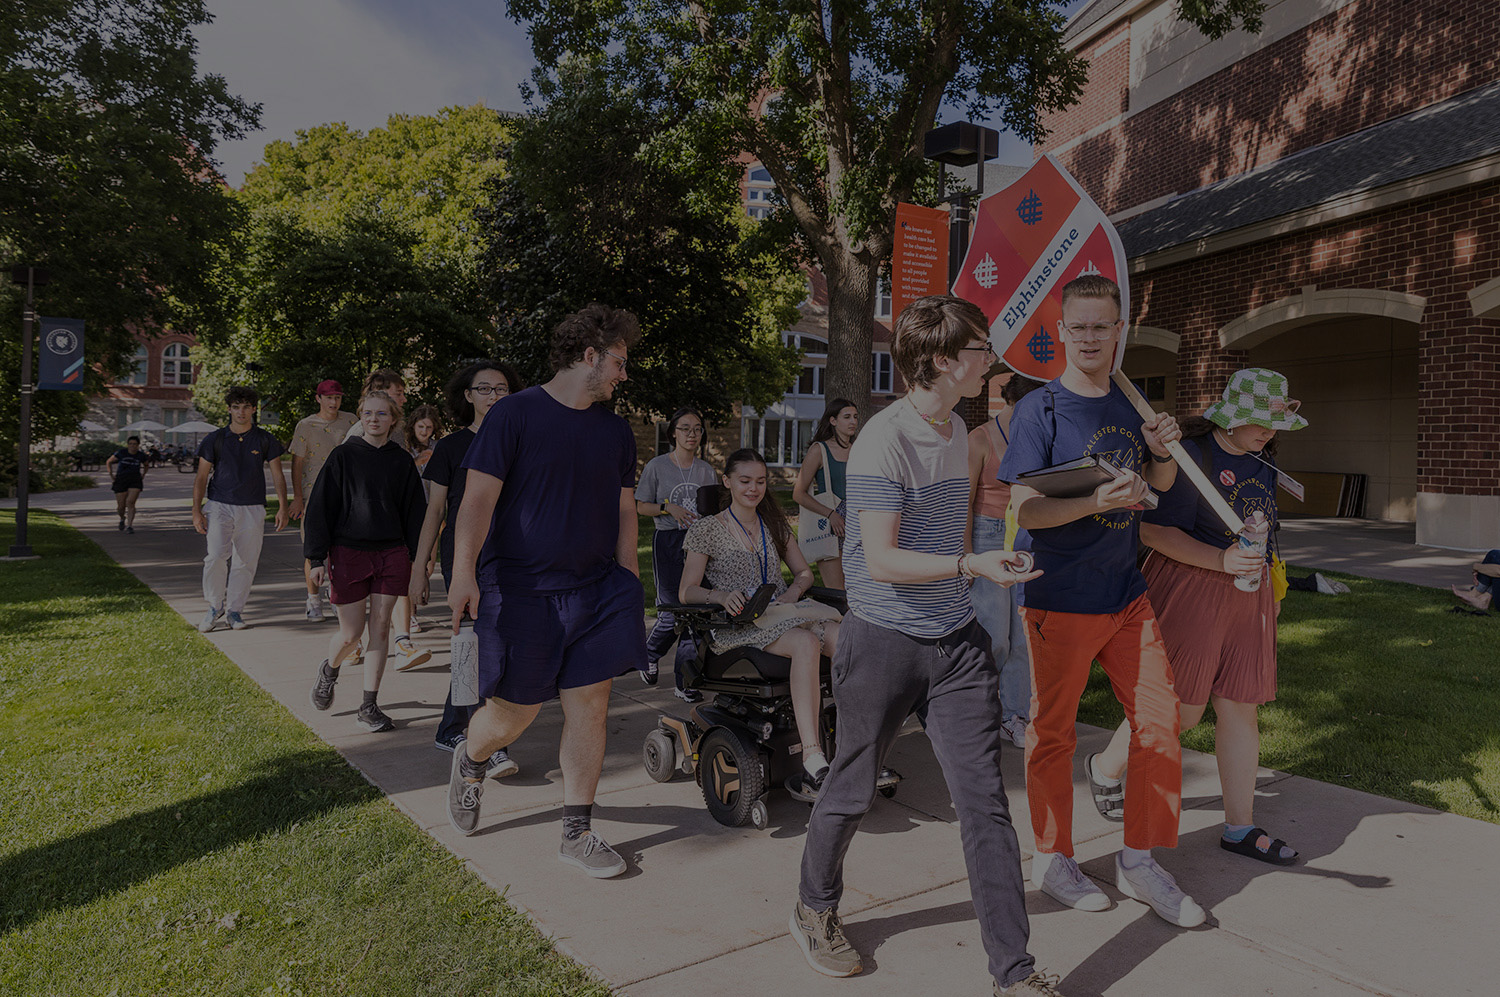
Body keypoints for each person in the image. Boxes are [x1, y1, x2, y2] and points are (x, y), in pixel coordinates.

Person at [793, 295, 1061, 997]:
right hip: (882, 640)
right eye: (979, 351)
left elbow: (953, 527)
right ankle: (814, 905)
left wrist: (978, 561)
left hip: (955, 641)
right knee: (851, 789)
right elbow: (878, 560)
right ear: (942, 360)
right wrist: (969, 566)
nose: (990, 363)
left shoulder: (957, 427)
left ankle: (1014, 972)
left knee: (985, 804)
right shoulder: (886, 440)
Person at [996, 274, 1202, 928]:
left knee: (1161, 721)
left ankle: (1138, 859)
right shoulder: (1040, 410)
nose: (1089, 337)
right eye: (1078, 326)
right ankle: (1052, 856)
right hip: (1058, 596)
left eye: (1101, 327)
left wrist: (1163, 452)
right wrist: (1094, 501)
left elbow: (1161, 487)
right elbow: (1025, 506)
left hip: (1126, 592)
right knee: (1051, 732)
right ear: (1061, 331)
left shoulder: (1130, 403)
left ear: (1120, 331)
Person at [445, 303, 646, 880]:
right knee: (514, 713)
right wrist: (462, 574)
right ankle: (472, 755)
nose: (622, 375)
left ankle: (576, 832)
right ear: (589, 355)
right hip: (521, 590)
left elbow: (624, 509)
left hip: (596, 590)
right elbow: (476, 501)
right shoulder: (515, 415)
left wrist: (629, 576)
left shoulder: (614, 430)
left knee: (592, 704)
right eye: (618, 363)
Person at [1088, 368, 1308, 866]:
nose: (1268, 431)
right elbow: (1153, 533)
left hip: (1246, 598)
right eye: (1258, 421)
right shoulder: (1192, 458)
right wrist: (1222, 561)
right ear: (1230, 416)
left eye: (1274, 423)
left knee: (1239, 706)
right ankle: (1105, 768)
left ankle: (1240, 826)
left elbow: (1264, 531)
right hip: (1190, 586)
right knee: (1181, 710)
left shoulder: (1263, 461)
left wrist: (1272, 585)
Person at [681, 447, 842, 796]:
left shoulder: (774, 524)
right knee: (806, 643)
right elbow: (687, 590)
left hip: (783, 611)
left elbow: (803, 573)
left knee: (846, 639)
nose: (753, 488)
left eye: (760, 481)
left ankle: (856, 743)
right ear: (727, 482)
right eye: (745, 481)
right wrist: (720, 596)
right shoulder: (707, 529)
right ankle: (814, 758)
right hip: (739, 624)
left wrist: (794, 591)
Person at [410, 358, 525, 778]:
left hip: (512, 556)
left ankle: (464, 730)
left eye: (501, 389)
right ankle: (471, 736)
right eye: (485, 389)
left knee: (499, 647)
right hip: (464, 557)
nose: (494, 396)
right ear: (468, 395)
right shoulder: (451, 447)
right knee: (473, 646)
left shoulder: (521, 442)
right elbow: (435, 510)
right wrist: (418, 568)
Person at [305, 390, 427, 733]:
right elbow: (320, 509)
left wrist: (418, 559)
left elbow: (415, 513)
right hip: (348, 552)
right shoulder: (343, 456)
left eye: (382, 414)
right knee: (351, 633)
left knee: (382, 626)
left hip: (391, 552)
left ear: (393, 420)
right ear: (361, 417)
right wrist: (317, 556)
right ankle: (330, 669)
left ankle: (369, 705)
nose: (374, 419)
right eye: (368, 413)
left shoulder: (401, 460)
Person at [967, 373, 1043, 749]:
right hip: (986, 535)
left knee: (1022, 636)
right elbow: (962, 503)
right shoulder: (980, 438)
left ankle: (1015, 715)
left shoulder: (1040, 434)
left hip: (1026, 536)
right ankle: (981, 711)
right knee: (994, 633)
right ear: (1011, 402)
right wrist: (965, 557)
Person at [343, 368, 429, 670]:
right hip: (358, 538)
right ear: (381, 391)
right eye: (399, 392)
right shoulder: (357, 435)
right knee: (356, 606)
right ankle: (351, 643)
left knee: (396, 584)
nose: (404, 397)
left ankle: (402, 642)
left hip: (393, 533)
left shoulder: (395, 431)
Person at [635, 406, 719, 701]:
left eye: (697, 428)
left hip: (700, 543)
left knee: (696, 611)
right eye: (685, 428)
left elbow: (715, 509)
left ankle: (685, 683)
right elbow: (640, 506)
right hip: (668, 541)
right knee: (672, 613)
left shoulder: (707, 470)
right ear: (673, 433)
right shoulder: (657, 466)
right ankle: (649, 652)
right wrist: (667, 507)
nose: (692, 434)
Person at [192, 386, 289, 633]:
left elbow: (278, 475)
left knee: (246, 562)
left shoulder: (265, 438)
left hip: (252, 507)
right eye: (236, 407)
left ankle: (235, 611)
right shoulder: (214, 439)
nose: (241, 412)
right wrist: (196, 511)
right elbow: (201, 477)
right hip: (219, 504)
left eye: (246, 407)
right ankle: (215, 606)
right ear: (229, 409)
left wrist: (283, 507)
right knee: (214, 557)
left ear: (254, 409)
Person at [288, 379, 357, 620]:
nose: (333, 402)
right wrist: (297, 498)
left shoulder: (351, 422)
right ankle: (313, 600)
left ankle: (336, 596)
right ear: (318, 399)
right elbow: (297, 464)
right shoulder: (305, 426)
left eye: (337, 397)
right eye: (328, 397)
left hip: (344, 496)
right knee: (313, 550)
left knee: (340, 551)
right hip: (312, 496)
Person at [792, 398, 859, 589]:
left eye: (855, 417)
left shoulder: (858, 450)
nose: (853, 421)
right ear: (833, 421)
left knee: (857, 593)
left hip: (856, 526)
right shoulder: (820, 450)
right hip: (831, 527)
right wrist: (831, 515)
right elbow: (798, 494)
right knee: (838, 592)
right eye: (846, 417)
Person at [107, 435, 149, 533]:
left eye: (134, 444)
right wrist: (111, 475)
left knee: (130, 502)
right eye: (130, 444)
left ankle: (130, 526)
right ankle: (122, 518)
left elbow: (146, 465)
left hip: (135, 480)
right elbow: (109, 461)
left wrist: (143, 475)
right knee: (121, 506)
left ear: (138, 445)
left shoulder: (141, 455)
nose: (132, 446)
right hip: (121, 480)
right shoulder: (121, 453)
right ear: (128, 445)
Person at [405, 404, 445, 476]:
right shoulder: (404, 446)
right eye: (420, 426)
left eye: (429, 427)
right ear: (413, 425)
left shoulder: (438, 447)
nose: (424, 431)